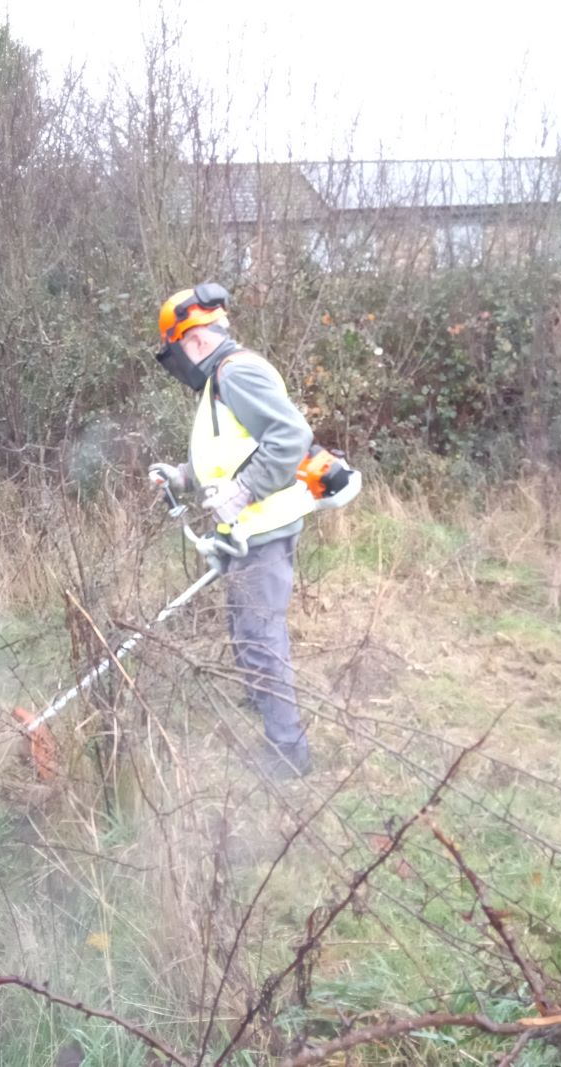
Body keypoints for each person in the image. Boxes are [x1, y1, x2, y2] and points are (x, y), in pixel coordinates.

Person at [150, 283, 314, 779]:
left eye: (176, 348)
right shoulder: (219, 379)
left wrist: (244, 490)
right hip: (245, 530)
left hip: (262, 528)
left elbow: (291, 437)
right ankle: (262, 702)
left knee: (261, 638)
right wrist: (183, 475)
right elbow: (229, 449)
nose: (178, 358)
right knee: (246, 630)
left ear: (193, 338)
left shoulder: (237, 372)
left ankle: (288, 752)